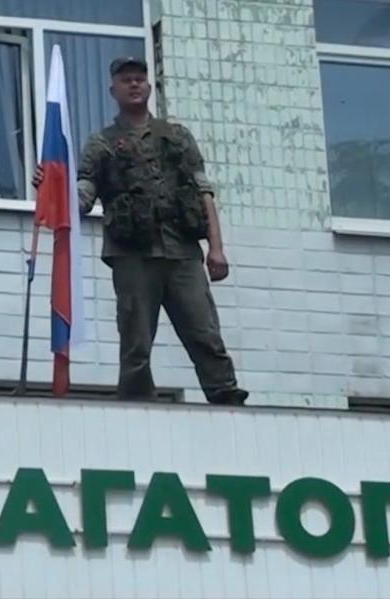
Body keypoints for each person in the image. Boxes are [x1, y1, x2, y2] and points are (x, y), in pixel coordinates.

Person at [35, 57, 248, 405]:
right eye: (125, 80)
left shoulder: (177, 137)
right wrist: (52, 188)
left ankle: (224, 394)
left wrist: (217, 248)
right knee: (135, 339)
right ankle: (136, 404)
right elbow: (83, 196)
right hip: (132, 255)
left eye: (139, 79)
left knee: (204, 331)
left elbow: (202, 191)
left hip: (181, 253)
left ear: (150, 87)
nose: (134, 85)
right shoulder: (102, 144)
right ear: (113, 90)